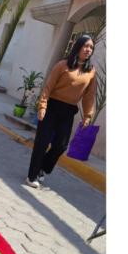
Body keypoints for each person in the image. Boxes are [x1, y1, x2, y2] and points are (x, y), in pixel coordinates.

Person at [25, 35, 97, 189]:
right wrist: (42, 107)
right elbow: (48, 87)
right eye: (86, 46)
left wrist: (88, 115)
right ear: (78, 47)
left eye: (91, 47)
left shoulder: (91, 72)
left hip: (68, 111)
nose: (88, 50)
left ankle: (42, 166)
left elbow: (89, 97)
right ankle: (32, 176)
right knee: (42, 143)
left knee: (61, 146)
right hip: (51, 108)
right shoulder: (62, 65)